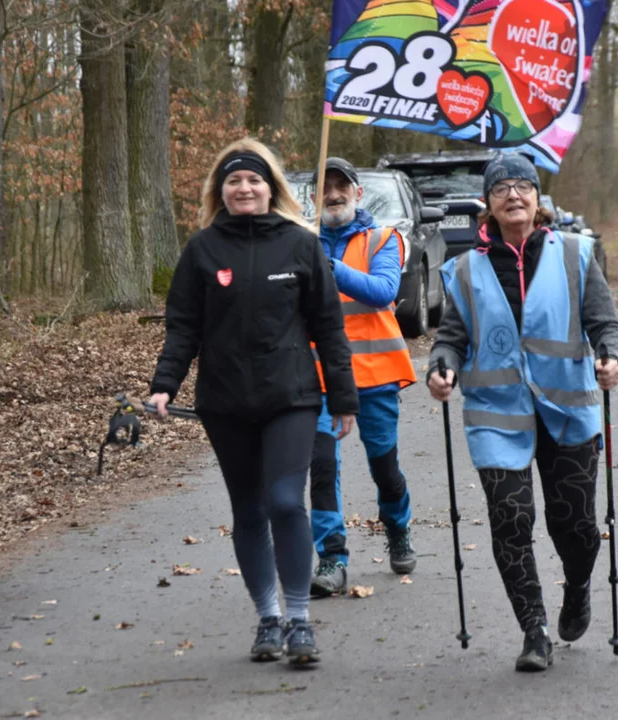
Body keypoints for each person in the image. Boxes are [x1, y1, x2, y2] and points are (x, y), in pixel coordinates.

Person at [148, 139, 359, 666]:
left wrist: (344, 396)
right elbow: (183, 328)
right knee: (248, 509)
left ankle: (299, 621)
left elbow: (329, 328)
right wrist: (164, 384)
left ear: (272, 189)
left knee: (286, 502)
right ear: (221, 192)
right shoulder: (202, 249)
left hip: (291, 396)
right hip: (225, 402)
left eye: (255, 180)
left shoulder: (300, 244)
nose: (245, 188)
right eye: (234, 181)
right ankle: (268, 618)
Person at [427, 153, 618, 672]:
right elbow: (451, 336)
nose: (513, 194)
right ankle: (534, 631)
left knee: (578, 529)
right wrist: (442, 367)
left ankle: (578, 585)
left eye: (522, 186)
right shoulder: (466, 269)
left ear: (538, 200)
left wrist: (611, 357)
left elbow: (605, 324)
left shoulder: (576, 256)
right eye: (501, 189)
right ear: (487, 206)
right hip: (498, 416)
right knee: (511, 520)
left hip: (568, 412)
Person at [306, 157, 418, 598]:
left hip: (376, 376)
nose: (332, 194)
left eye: (341, 186)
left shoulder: (383, 240)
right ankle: (332, 555)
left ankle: (397, 526)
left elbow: (383, 292)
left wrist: (330, 266)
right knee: (321, 466)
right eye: (324, 188)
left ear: (357, 193)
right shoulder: (300, 244)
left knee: (384, 467)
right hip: (316, 379)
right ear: (314, 199)